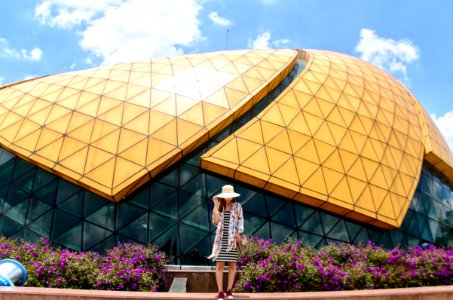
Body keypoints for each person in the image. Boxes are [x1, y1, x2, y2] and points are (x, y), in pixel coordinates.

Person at [208, 185, 244, 300]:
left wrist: (239, 233)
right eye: (226, 196)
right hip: (221, 240)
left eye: (230, 196)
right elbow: (215, 221)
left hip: (232, 241)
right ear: (223, 196)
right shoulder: (219, 206)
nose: (228, 198)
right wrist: (215, 205)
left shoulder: (237, 206)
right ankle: (220, 292)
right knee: (219, 265)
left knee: (232, 265)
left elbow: (240, 221)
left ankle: (229, 291)